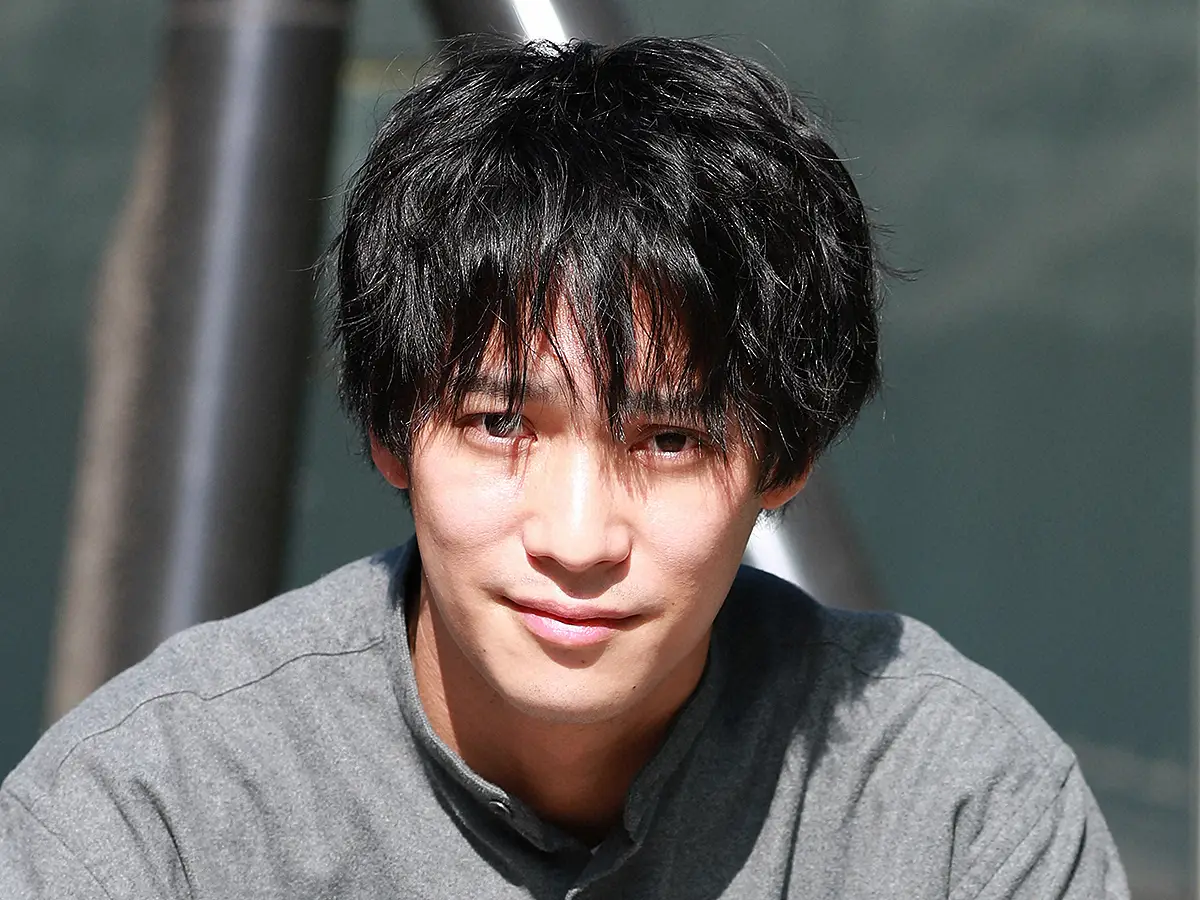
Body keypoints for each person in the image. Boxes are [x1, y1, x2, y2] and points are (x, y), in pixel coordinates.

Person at [0, 37, 1128, 899]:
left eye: (669, 440)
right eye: (501, 424)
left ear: (784, 461)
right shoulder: (157, 814)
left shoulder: (954, 810)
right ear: (390, 433)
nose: (577, 538)